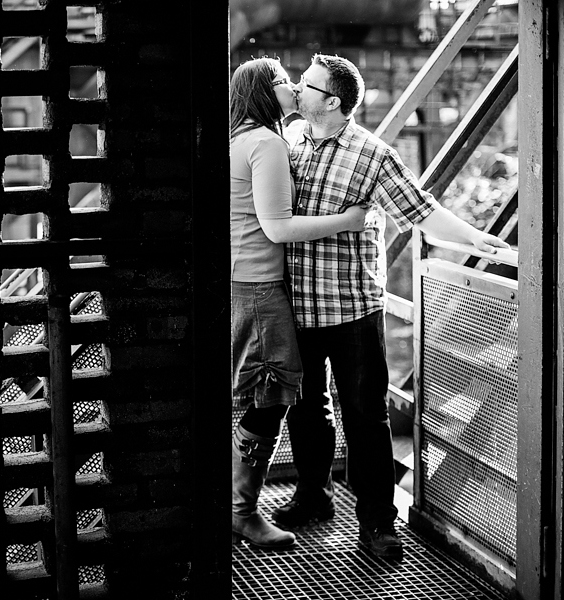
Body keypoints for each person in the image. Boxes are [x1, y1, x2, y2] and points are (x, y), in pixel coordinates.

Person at [271, 53, 509, 559]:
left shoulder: (373, 155)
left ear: (331, 102)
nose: (297, 88)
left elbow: (421, 211)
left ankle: (378, 522)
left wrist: (475, 239)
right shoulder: (290, 140)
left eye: (307, 85)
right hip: (298, 306)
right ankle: (313, 496)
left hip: (353, 309)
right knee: (305, 410)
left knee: (366, 417)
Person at [229, 57, 367, 549]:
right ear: (267, 92)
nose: (293, 87)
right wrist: (349, 221)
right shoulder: (266, 143)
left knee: (263, 397)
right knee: (269, 399)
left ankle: (241, 506)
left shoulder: (242, 138)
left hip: (243, 282)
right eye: (284, 81)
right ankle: (242, 512)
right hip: (261, 288)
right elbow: (278, 228)